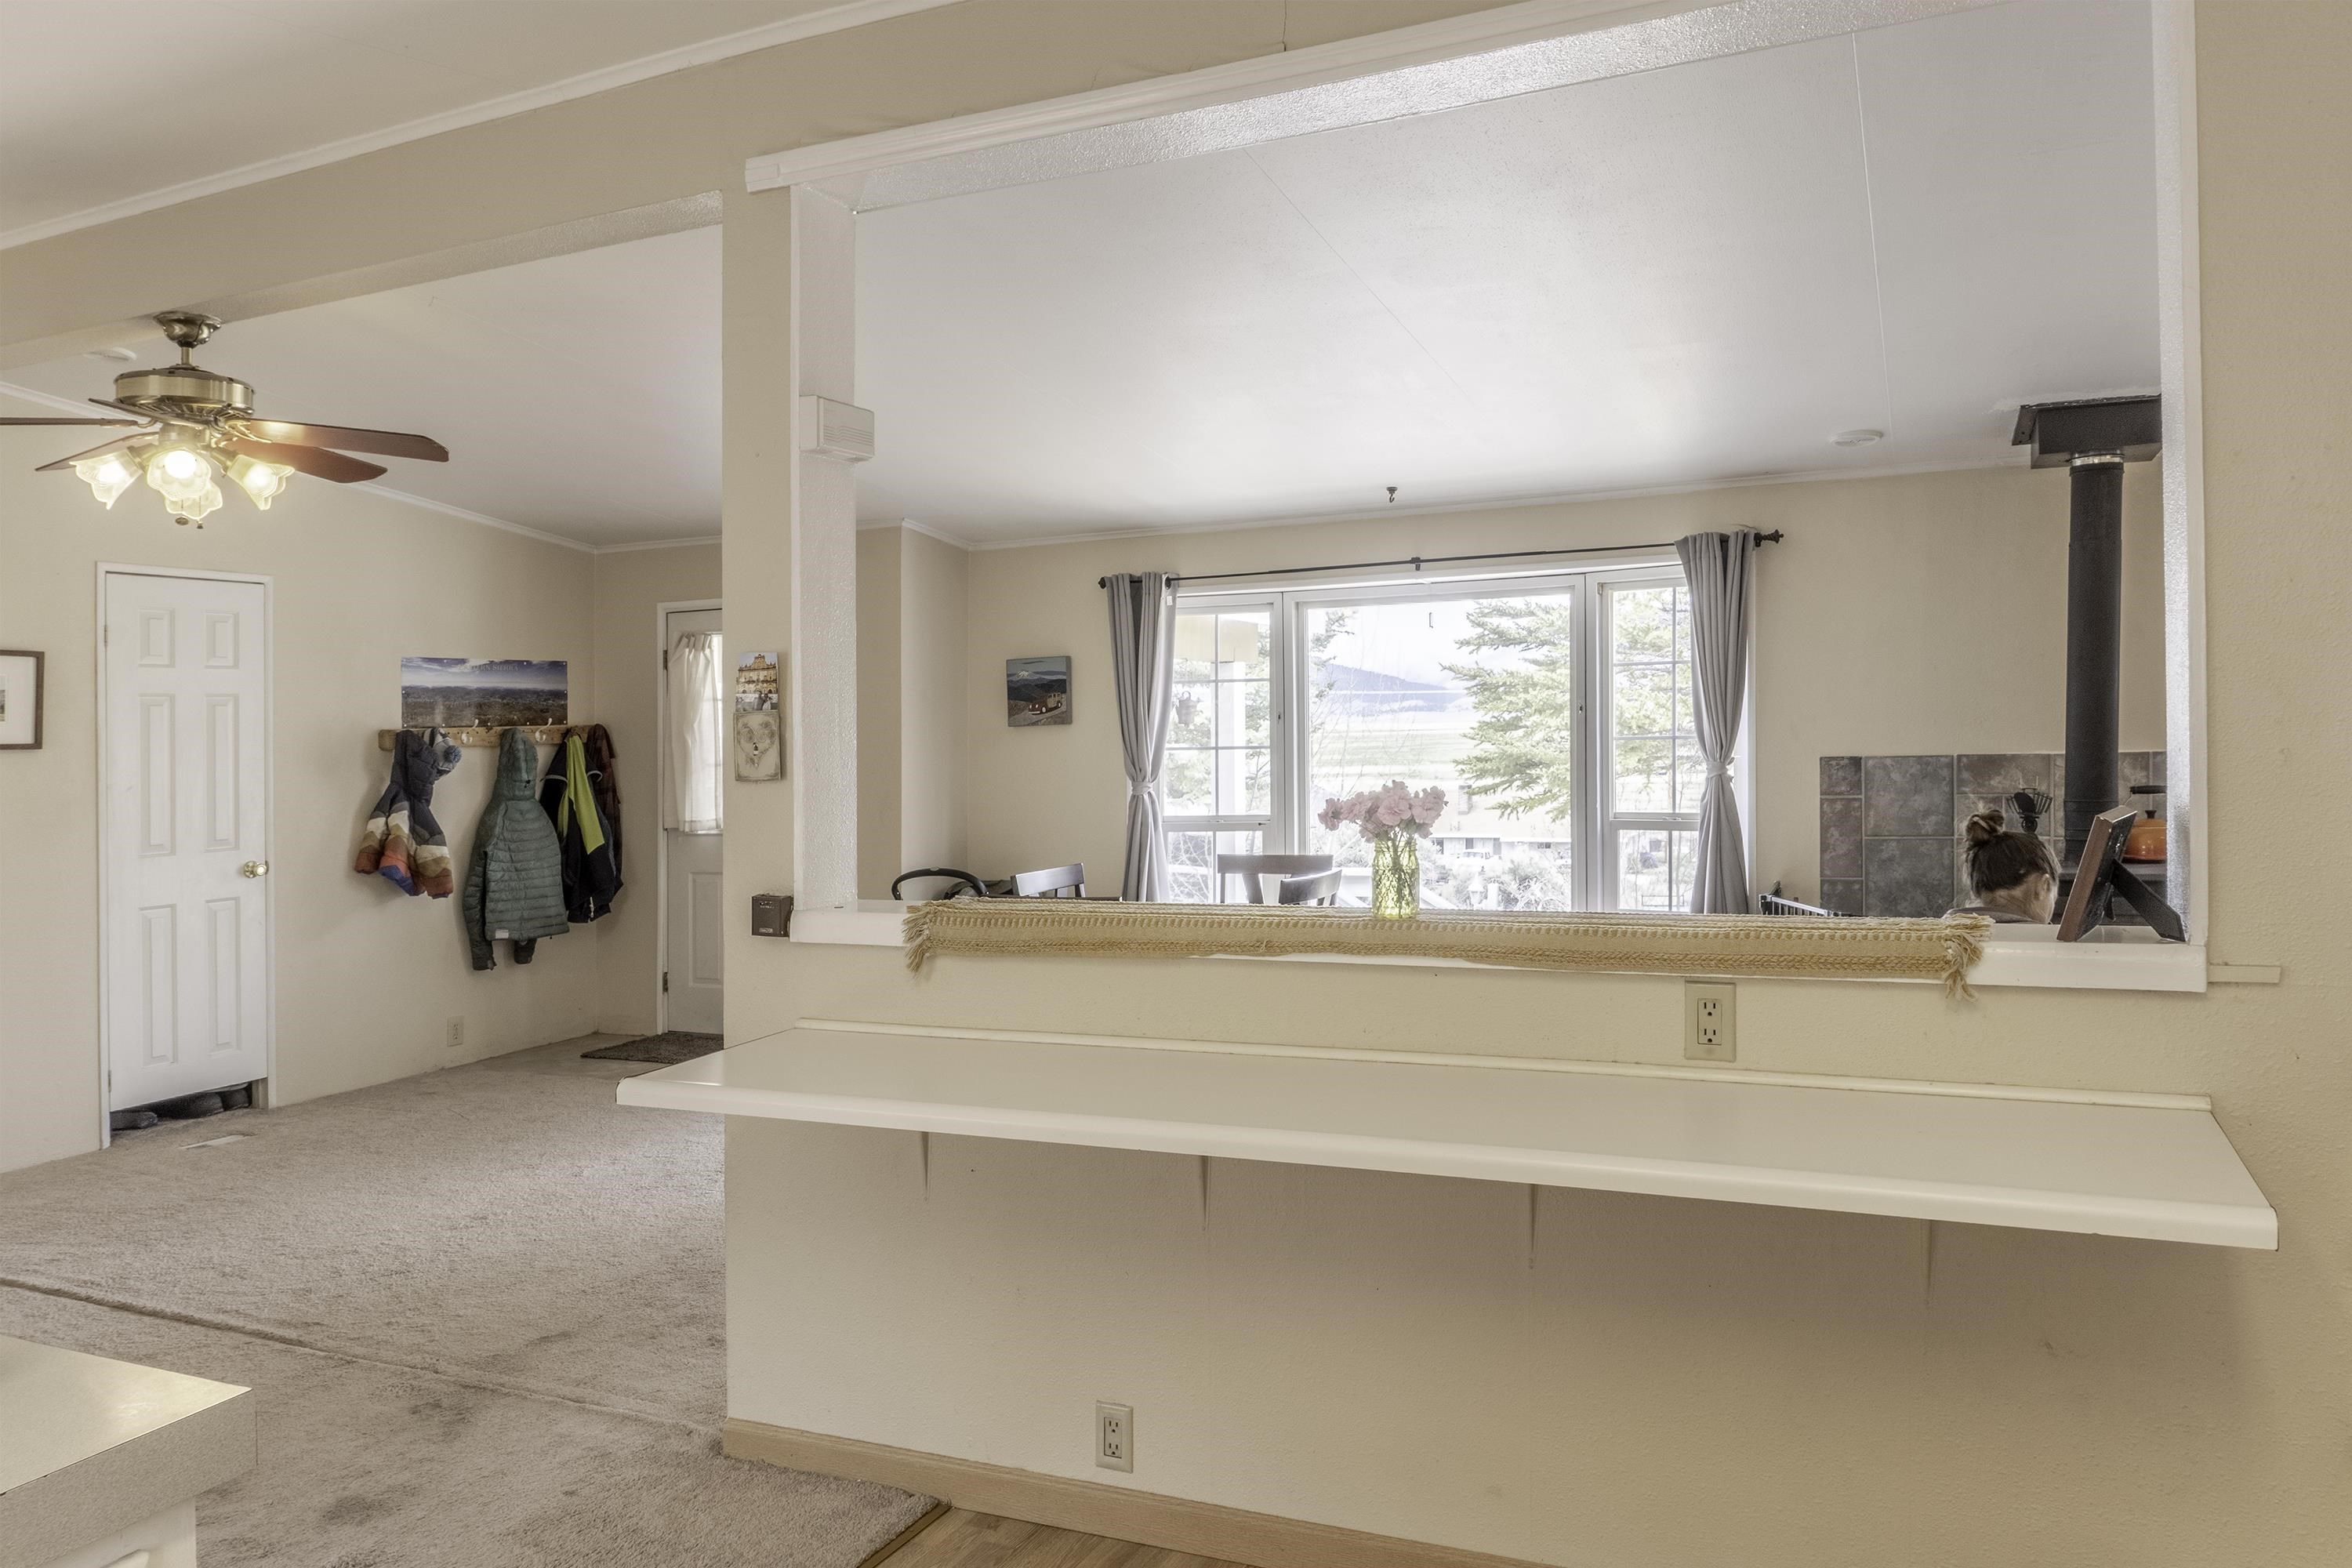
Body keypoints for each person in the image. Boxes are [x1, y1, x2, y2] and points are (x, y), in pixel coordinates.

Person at [1948, 809, 2058, 924]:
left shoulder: (1943, 928)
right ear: (2044, 886)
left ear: (1975, 890)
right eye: (2054, 898)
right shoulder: (2044, 935)